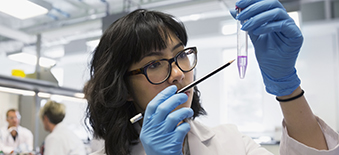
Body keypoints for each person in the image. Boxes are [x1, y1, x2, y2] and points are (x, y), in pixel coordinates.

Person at [83, 0, 339, 154]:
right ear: (124, 87)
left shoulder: (232, 144)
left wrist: (287, 87)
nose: (178, 73)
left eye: (181, 55)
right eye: (155, 64)